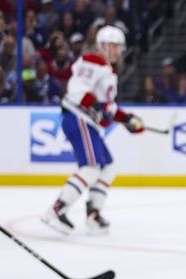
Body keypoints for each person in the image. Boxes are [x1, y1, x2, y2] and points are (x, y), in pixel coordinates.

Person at [41, 26, 145, 235]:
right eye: (113, 46)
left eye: (119, 47)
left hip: (88, 123)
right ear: (102, 45)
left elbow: (108, 108)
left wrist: (126, 119)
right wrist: (99, 106)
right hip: (79, 119)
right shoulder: (92, 61)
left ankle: (93, 215)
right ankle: (56, 210)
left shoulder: (108, 70)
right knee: (90, 168)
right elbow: (77, 90)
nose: (117, 51)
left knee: (108, 167)